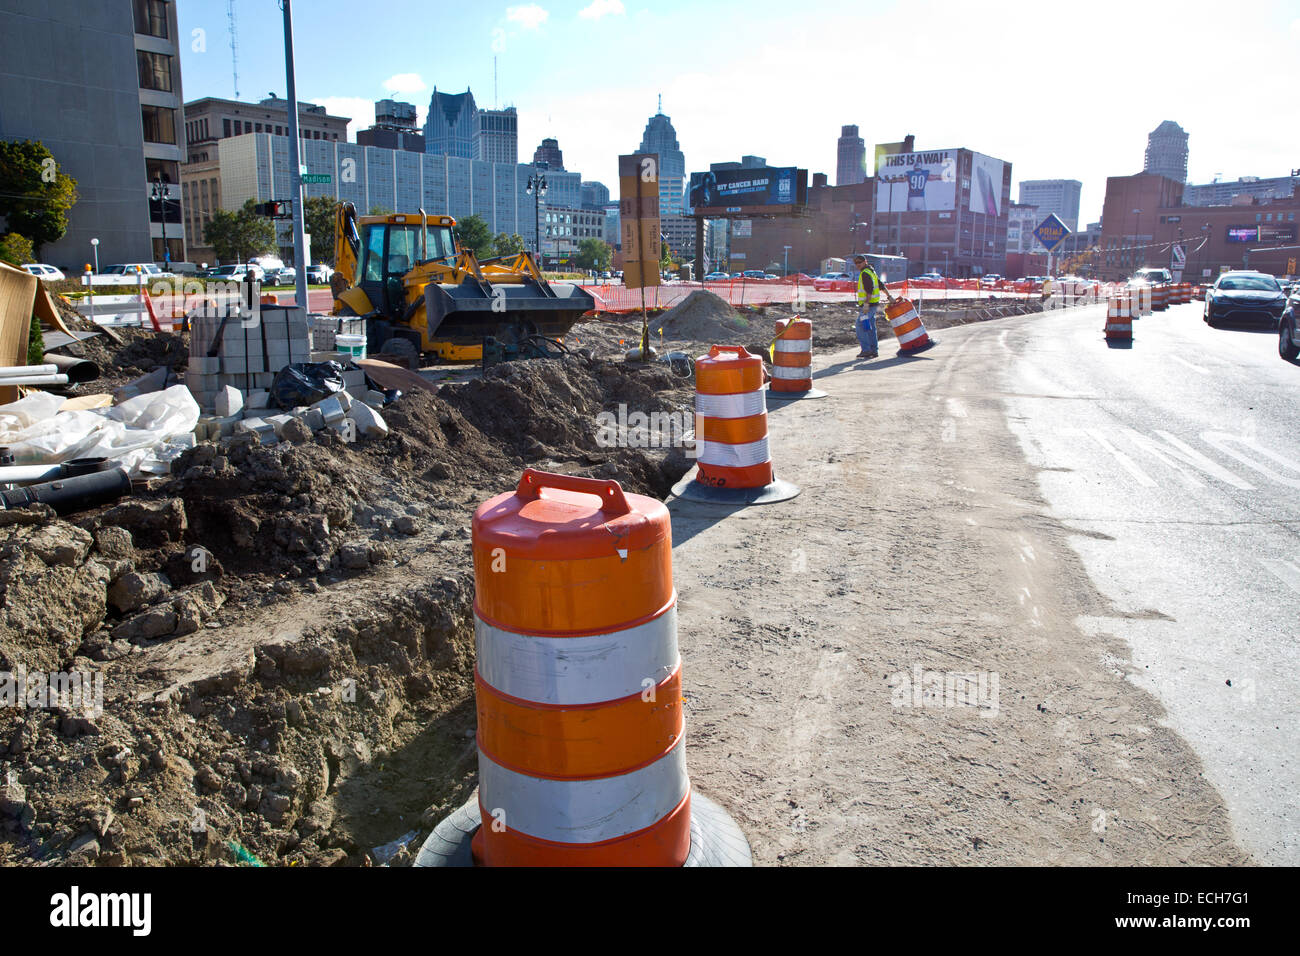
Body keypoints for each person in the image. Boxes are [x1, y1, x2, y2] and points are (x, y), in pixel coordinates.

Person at [854, 254, 880, 359]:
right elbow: (880, 284)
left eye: (859, 262)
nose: (858, 265)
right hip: (873, 305)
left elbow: (869, 289)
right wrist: (889, 296)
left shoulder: (865, 273)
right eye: (856, 263)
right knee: (870, 327)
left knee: (860, 325)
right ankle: (874, 350)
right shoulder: (871, 271)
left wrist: (866, 304)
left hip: (868, 306)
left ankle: (866, 350)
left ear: (865, 261)